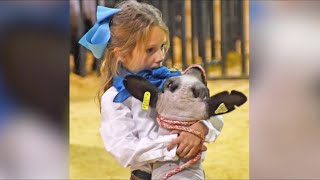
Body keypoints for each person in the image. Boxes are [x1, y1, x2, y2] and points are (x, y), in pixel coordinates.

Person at [79, 1, 223, 179]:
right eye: (150, 50)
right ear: (121, 54)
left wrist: (200, 127)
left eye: (162, 47)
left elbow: (214, 112)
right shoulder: (115, 99)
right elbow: (125, 149)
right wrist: (176, 145)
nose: (160, 57)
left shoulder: (174, 80)